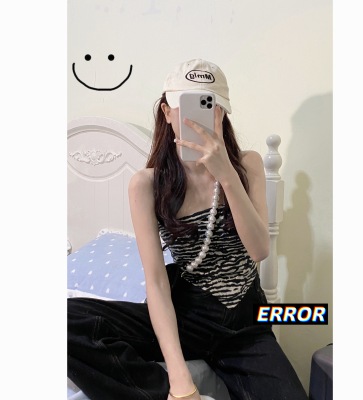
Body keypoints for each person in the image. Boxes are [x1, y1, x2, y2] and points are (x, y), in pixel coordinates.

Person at [68, 58, 308, 400]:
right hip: (187, 315)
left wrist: (226, 174)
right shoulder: (147, 185)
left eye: (210, 105)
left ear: (222, 113)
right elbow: (156, 282)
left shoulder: (248, 165)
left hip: (246, 322)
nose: (198, 118)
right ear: (167, 112)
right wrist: (179, 378)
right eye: (187, 106)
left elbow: (259, 250)